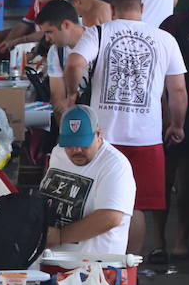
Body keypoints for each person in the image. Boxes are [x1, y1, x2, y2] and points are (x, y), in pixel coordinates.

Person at [64, 0, 186, 258]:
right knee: (136, 206)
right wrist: (176, 125)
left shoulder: (98, 32)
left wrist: (72, 94)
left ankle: (98, 263)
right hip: (147, 137)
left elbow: (73, 64)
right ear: (142, 9)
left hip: (101, 138)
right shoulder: (164, 38)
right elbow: (177, 90)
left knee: (97, 200)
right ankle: (130, 270)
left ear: (112, 8)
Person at [36, 105, 134, 258]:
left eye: (83, 143)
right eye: (70, 144)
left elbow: (111, 217)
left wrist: (61, 236)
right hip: (52, 260)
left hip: (94, 268)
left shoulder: (115, 165)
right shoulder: (58, 152)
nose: (77, 150)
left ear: (98, 135)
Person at [161, 0, 189, 257]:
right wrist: (166, 115)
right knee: (164, 178)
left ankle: (182, 241)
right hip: (168, 110)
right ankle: (159, 244)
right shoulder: (174, 25)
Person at [35, 0, 89, 116]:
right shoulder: (55, 52)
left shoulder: (98, 43)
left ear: (66, 25)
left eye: (49, 32)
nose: (47, 38)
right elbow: (58, 100)